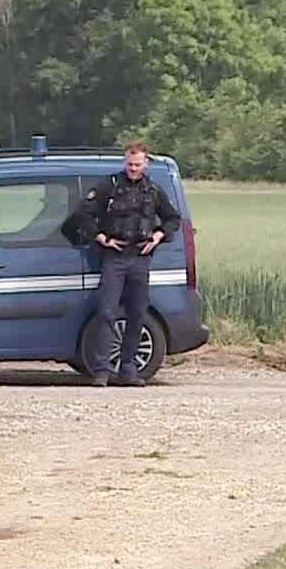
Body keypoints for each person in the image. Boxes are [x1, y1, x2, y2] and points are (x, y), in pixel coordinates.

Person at [73, 141, 181, 386]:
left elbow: (173, 218)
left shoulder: (153, 190)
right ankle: (101, 371)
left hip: (141, 257)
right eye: (130, 164)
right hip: (115, 256)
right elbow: (84, 214)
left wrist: (158, 236)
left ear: (145, 163)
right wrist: (101, 238)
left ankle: (128, 369)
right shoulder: (109, 186)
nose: (133, 168)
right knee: (106, 313)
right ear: (125, 162)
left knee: (137, 314)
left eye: (137, 164)